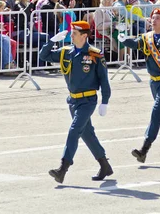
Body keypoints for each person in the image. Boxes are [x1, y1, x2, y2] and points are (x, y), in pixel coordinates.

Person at [40, 21, 112, 184]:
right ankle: (104, 165)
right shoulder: (66, 52)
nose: (71, 35)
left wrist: (105, 100)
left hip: (88, 100)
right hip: (73, 100)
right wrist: (52, 41)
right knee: (87, 134)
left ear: (84, 36)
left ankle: (63, 168)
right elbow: (43, 56)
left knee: (74, 131)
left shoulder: (95, 54)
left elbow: (104, 80)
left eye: (74, 33)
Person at [118, 8, 160, 163]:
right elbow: (135, 44)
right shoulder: (147, 37)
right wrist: (123, 38)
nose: (153, 20)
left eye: (158, 18)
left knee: (156, 113)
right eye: (152, 17)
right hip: (153, 82)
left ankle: (144, 149)